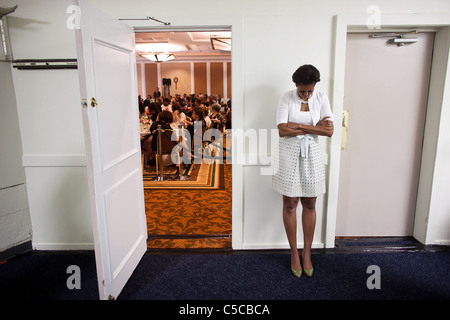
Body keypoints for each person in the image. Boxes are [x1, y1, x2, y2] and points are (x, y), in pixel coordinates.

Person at [272, 64, 334, 278]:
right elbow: (282, 130)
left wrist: (298, 127)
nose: (306, 95)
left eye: (310, 91)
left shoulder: (322, 98)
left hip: (313, 153)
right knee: (290, 202)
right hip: (288, 153)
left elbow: (330, 130)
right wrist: (314, 126)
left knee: (310, 202)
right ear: (295, 84)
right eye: (302, 91)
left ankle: (307, 252)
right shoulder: (286, 98)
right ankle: (293, 253)